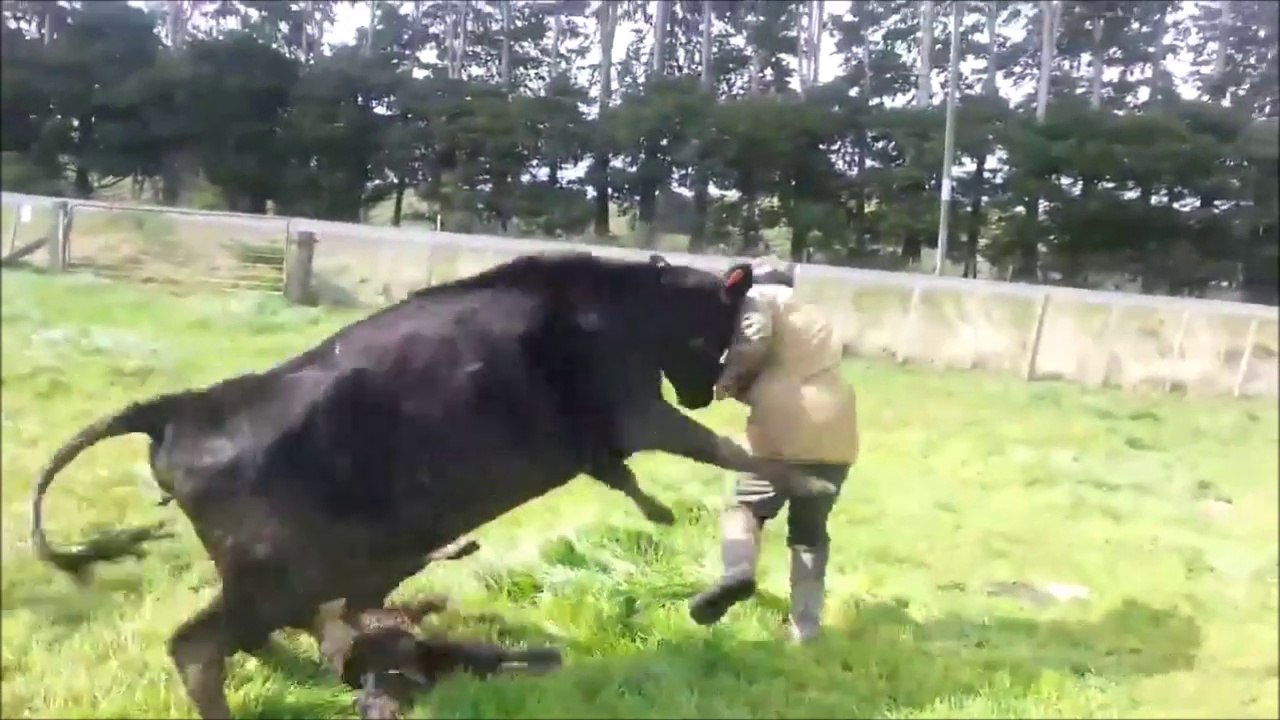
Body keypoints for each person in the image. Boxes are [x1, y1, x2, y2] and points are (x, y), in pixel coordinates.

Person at [687, 254, 860, 643]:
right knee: (810, 533)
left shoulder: (761, 299)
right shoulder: (815, 314)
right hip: (839, 426)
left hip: (785, 425)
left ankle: (738, 572)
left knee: (746, 507)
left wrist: (724, 383)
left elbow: (753, 342)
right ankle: (805, 628)